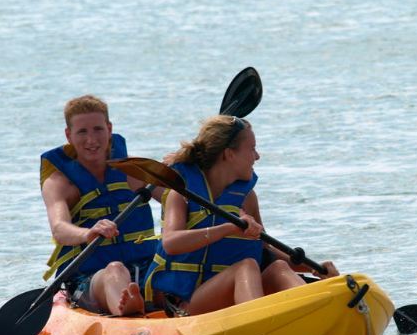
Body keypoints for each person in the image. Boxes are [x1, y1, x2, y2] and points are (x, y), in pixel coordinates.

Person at [143, 115, 338, 315]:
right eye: (252, 148)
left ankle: (319, 314)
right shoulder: (181, 192)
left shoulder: (246, 198)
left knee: (278, 267)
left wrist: (313, 268)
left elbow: (265, 251)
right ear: (229, 154)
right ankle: (261, 326)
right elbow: (171, 243)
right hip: (187, 301)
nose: (257, 156)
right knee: (245, 267)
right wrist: (228, 228)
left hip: (232, 296)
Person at [40, 95, 164, 316]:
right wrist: (88, 233)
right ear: (69, 135)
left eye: (98, 129)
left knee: (181, 266)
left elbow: (176, 200)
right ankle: (127, 312)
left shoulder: (134, 169)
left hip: (146, 268)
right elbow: (59, 228)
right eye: (82, 132)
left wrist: (177, 172)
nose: (91, 140)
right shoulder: (60, 182)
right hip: (90, 278)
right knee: (115, 270)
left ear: (109, 129)